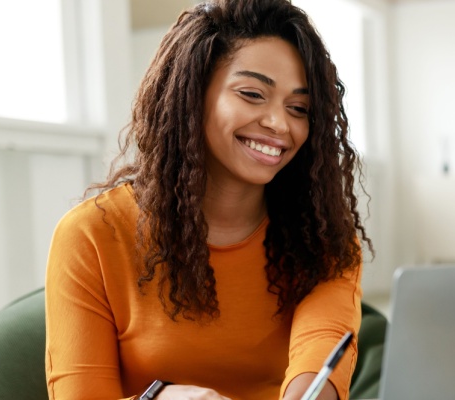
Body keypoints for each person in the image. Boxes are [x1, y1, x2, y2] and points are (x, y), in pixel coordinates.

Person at [44, 1, 372, 399]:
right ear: (191, 94)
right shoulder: (91, 236)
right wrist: (161, 398)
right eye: (252, 94)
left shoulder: (323, 237)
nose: (279, 124)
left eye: (299, 108)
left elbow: (318, 354)